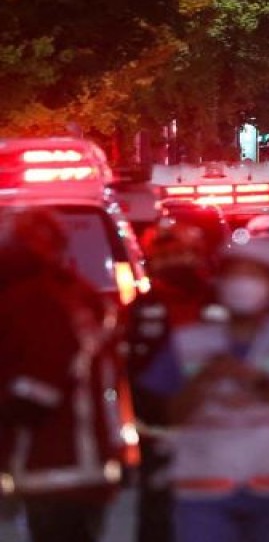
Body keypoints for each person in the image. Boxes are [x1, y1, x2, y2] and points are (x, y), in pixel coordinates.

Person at [138, 238, 269, 542]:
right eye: (234, 275)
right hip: (206, 492)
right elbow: (169, 415)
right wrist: (204, 379)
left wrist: (259, 382)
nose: (242, 284)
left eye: (253, 275)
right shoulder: (189, 342)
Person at [0, 210, 124, 542]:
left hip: (53, 465)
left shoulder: (36, 301)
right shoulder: (74, 294)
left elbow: (35, 389)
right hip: (81, 465)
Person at [128, 223, 216, 542]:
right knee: (158, 513)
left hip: (218, 430)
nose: (173, 262)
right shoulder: (142, 310)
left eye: (179, 254)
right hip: (160, 431)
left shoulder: (220, 301)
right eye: (164, 256)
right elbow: (133, 370)